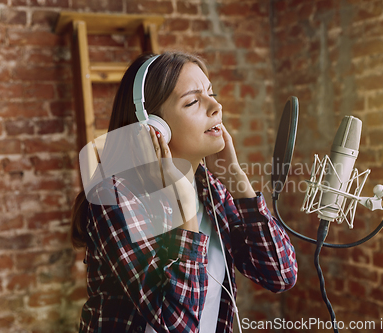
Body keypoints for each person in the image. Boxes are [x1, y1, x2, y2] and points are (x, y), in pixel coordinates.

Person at [70, 51, 298, 333]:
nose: (216, 107)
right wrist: (186, 215)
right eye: (193, 101)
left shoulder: (211, 189)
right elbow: (175, 324)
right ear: (153, 129)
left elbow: (280, 274)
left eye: (212, 94)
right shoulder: (115, 197)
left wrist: (236, 178)